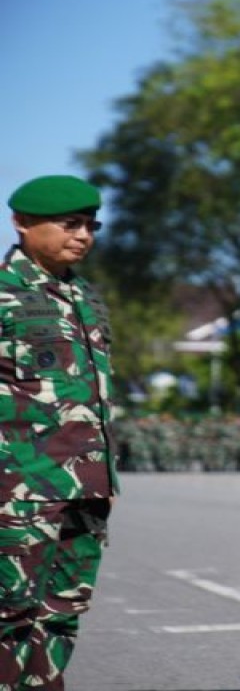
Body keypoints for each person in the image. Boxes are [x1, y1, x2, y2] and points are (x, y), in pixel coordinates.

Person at [0, 175, 117, 690]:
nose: (83, 235)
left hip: (83, 487)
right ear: (21, 223)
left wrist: (106, 479)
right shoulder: (4, 294)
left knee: (62, 610)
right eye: (69, 224)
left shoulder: (84, 297)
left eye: (91, 225)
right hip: (18, 491)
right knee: (11, 614)